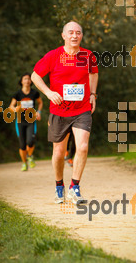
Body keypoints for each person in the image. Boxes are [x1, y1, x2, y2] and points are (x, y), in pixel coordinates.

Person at [31, 21, 98, 204]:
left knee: (83, 147)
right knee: (59, 153)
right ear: (63, 35)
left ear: (81, 36)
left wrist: (92, 94)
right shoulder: (53, 56)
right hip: (59, 111)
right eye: (71, 33)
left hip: (82, 109)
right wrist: (49, 93)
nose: (74, 36)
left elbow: (93, 73)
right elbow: (35, 75)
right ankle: (59, 186)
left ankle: (74, 188)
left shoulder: (88, 56)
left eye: (78, 33)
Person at [9, 72, 43, 171]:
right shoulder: (17, 94)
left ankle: (30, 156)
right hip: (20, 121)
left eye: (28, 79)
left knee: (30, 141)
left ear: (31, 81)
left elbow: (40, 103)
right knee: (22, 145)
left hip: (31, 120)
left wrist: (39, 112)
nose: (27, 81)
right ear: (21, 81)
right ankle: (24, 163)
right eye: (25, 79)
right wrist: (15, 109)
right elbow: (11, 106)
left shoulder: (34, 93)